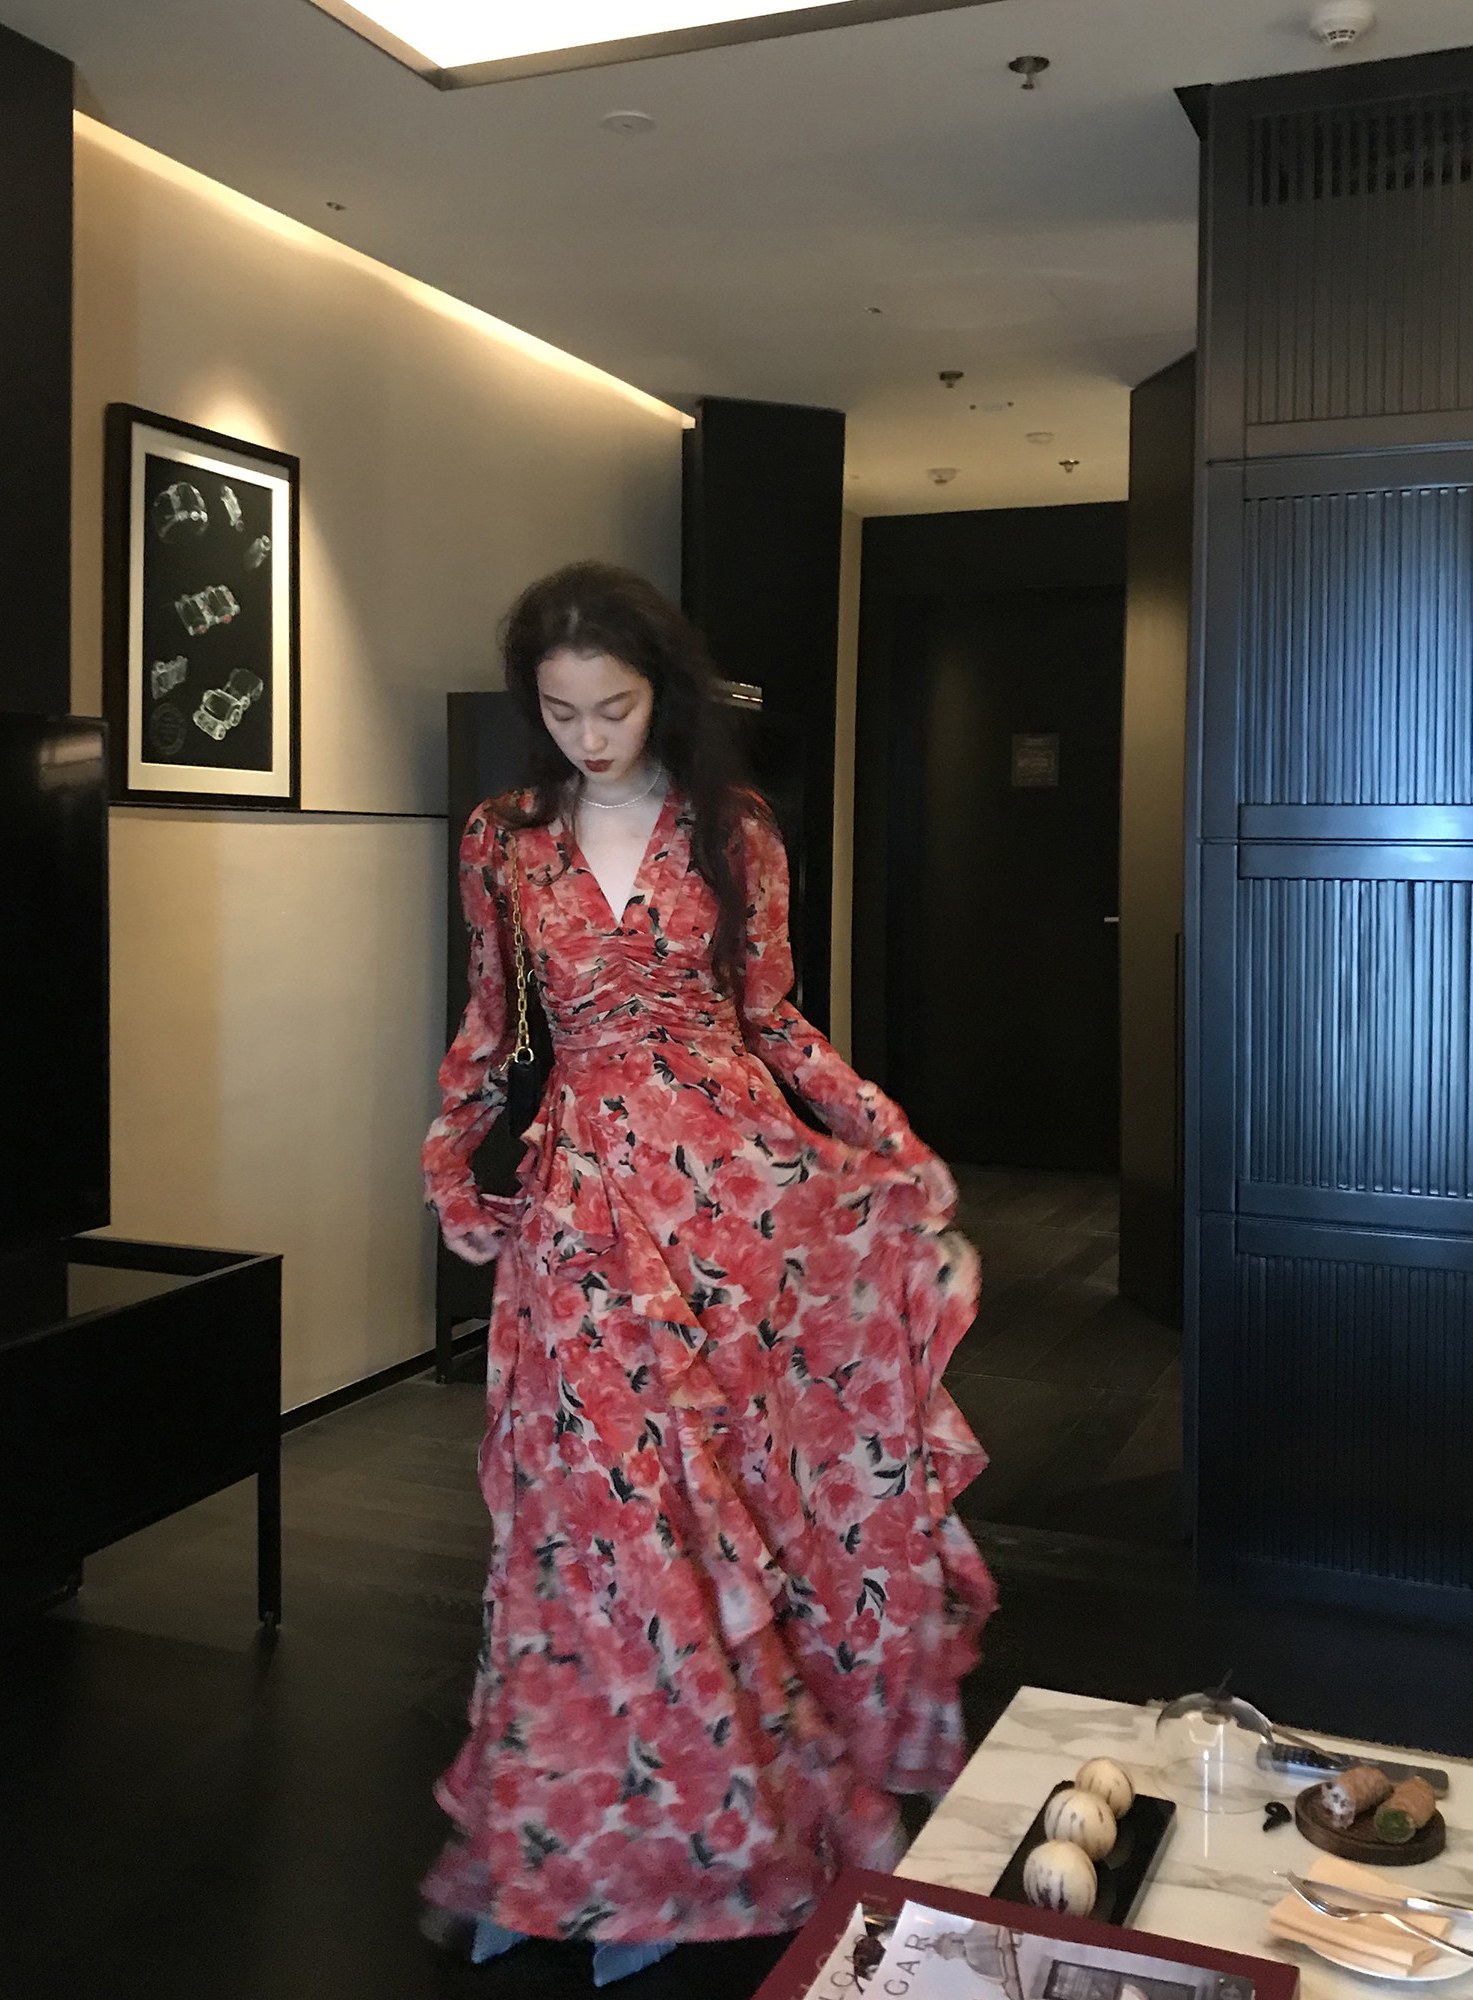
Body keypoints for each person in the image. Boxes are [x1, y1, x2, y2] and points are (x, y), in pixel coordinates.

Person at [421, 562, 995, 1985]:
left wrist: (888, 1142)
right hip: (582, 1204)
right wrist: (449, 1162)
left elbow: (774, 1020)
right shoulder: (503, 840)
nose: (586, 736)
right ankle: (576, 1845)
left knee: (727, 1509)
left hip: (733, 1198)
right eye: (559, 712)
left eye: (611, 708)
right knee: (585, 1517)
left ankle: (705, 1849)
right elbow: (491, 1025)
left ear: (660, 693)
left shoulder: (732, 829)